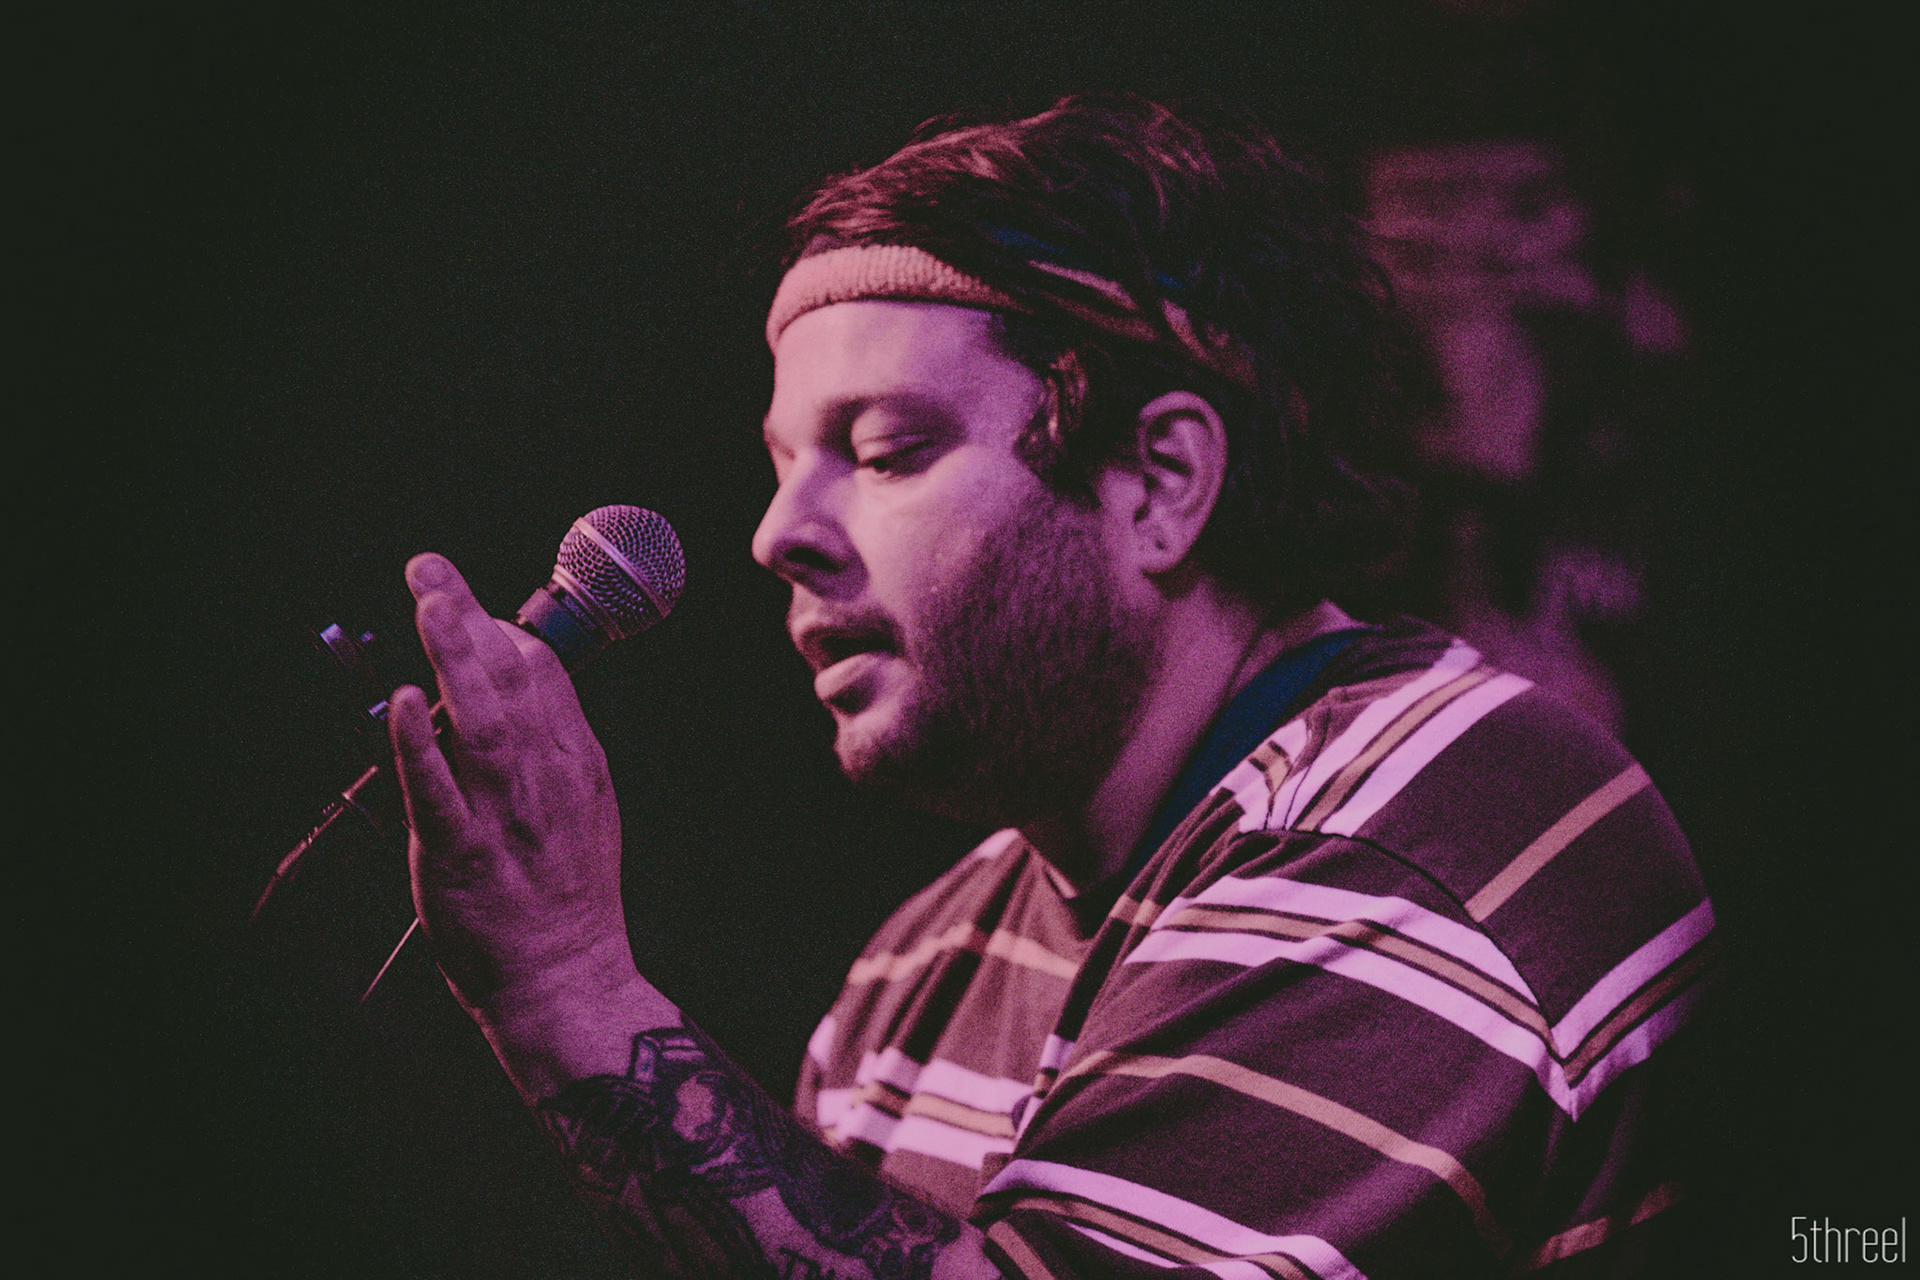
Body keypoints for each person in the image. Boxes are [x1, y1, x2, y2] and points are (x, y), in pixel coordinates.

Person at [386, 95, 1714, 1279]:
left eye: (886, 450)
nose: (778, 532)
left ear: (1161, 483)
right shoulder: (921, 968)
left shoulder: (1420, 833)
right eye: (783, 464)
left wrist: (568, 987)